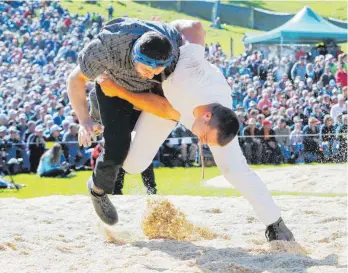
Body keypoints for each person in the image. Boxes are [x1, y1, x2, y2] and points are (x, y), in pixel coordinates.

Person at [98, 41, 294, 242]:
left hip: (191, 107)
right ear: (206, 117)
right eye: (207, 139)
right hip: (168, 102)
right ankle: (111, 146)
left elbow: (209, 128)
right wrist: (164, 36)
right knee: (132, 165)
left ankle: (275, 224)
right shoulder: (185, 78)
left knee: (235, 168)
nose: (203, 143)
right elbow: (195, 28)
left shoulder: (222, 117)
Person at [68, 18, 201, 225]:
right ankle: (98, 190)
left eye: (156, 70)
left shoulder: (176, 59)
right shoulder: (106, 47)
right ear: (135, 54)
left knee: (138, 151)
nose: (150, 73)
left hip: (149, 93)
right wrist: (84, 121)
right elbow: (75, 80)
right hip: (112, 86)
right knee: (117, 147)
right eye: (146, 68)